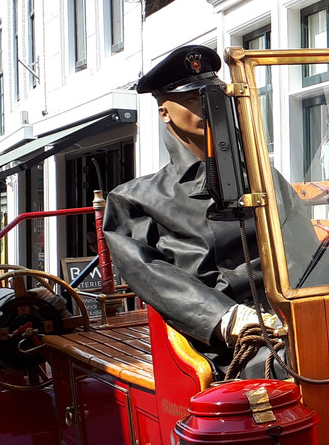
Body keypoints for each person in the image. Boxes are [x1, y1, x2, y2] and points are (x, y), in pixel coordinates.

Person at [103, 44, 302, 379]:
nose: (209, 108)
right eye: (195, 100)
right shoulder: (134, 200)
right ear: (165, 112)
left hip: (291, 320)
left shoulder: (263, 177)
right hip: (225, 347)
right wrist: (228, 318)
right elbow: (155, 279)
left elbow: (303, 249)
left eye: (215, 96)